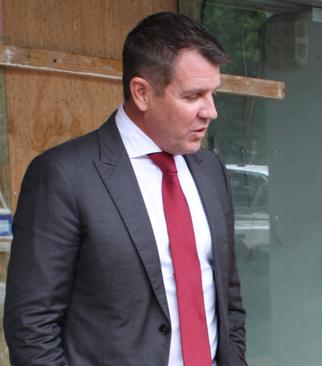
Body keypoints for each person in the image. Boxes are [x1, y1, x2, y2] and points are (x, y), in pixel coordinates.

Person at [3, 12, 246, 366]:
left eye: (213, 93)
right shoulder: (64, 175)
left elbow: (228, 298)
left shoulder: (210, 171)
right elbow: (31, 325)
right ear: (142, 92)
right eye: (194, 96)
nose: (211, 111)